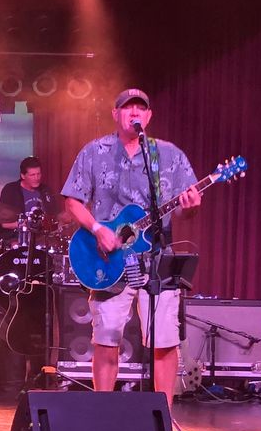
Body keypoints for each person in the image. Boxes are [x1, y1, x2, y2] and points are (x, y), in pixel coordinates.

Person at [61, 88, 201, 404]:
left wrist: (191, 206)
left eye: (140, 108)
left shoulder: (169, 155)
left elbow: (185, 211)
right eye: (127, 108)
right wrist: (98, 229)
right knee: (106, 340)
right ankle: (103, 414)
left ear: (148, 116)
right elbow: (72, 201)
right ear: (116, 114)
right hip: (109, 260)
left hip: (157, 260)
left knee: (165, 342)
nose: (134, 112)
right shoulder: (94, 151)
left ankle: (163, 417)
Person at [0, 155, 55, 221]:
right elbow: (4, 223)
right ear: (23, 176)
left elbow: (54, 216)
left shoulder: (46, 190)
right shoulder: (10, 190)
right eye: (32, 175)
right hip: (19, 227)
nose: (36, 178)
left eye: (38, 174)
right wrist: (22, 224)